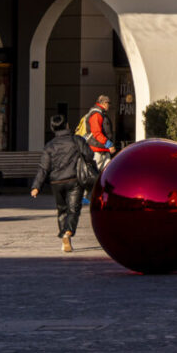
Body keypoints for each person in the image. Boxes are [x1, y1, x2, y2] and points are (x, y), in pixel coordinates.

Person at [31, 115, 92, 253]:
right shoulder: (77, 140)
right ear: (67, 125)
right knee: (73, 210)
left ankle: (65, 237)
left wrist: (36, 186)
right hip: (74, 180)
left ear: (52, 128)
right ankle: (68, 232)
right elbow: (89, 155)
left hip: (56, 182)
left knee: (62, 210)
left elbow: (43, 167)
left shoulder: (49, 146)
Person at [79, 92, 114, 169]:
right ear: (104, 103)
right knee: (97, 175)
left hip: (102, 150)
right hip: (97, 151)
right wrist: (108, 144)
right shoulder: (96, 115)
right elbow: (96, 133)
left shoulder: (100, 114)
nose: (109, 106)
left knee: (106, 173)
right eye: (109, 103)